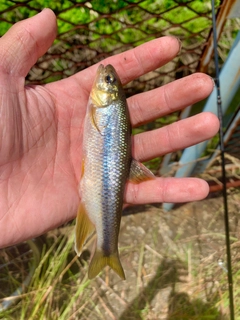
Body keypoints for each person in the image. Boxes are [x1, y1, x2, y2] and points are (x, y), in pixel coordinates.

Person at [0, 9, 219, 248]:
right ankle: (107, 247)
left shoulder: (101, 107)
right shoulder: (101, 106)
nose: (105, 75)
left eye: (108, 81)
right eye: (109, 80)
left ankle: (107, 248)